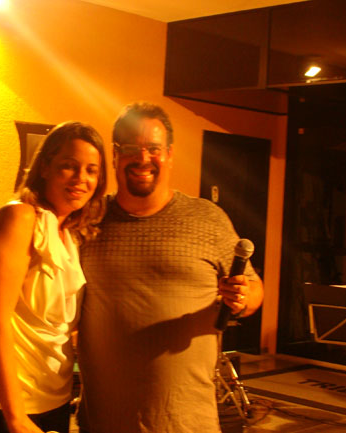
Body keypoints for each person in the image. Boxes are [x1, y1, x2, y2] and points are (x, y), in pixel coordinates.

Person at [76, 102, 264, 433]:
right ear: (115, 155)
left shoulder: (208, 219)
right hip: (104, 423)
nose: (143, 158)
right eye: (131, 148)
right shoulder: (88, 220)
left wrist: (243, 298)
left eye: (154, 148)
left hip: (188, 423)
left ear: (170, 154)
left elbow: (254, 289)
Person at [0, 121, 107, 433]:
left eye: (91, 170)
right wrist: (16, 418)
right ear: (45, 167)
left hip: (53, 400)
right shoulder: (20, 217)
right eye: (69, 166)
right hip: (0, 406)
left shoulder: (69, 235)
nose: (81, 178)